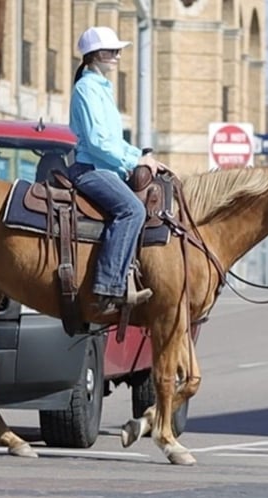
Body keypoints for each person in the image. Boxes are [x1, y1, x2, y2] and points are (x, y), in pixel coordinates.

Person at [68, 26, 164, 315]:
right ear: (96, 54)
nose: (118, 55)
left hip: (106, 168)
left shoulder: (100, 88)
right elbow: (98, 142)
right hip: (91, 169)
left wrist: (141, 157)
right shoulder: (86, 88)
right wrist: (136, 160)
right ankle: (108, 287)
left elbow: (113, 140)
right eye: (113, 51)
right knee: (132, 211)